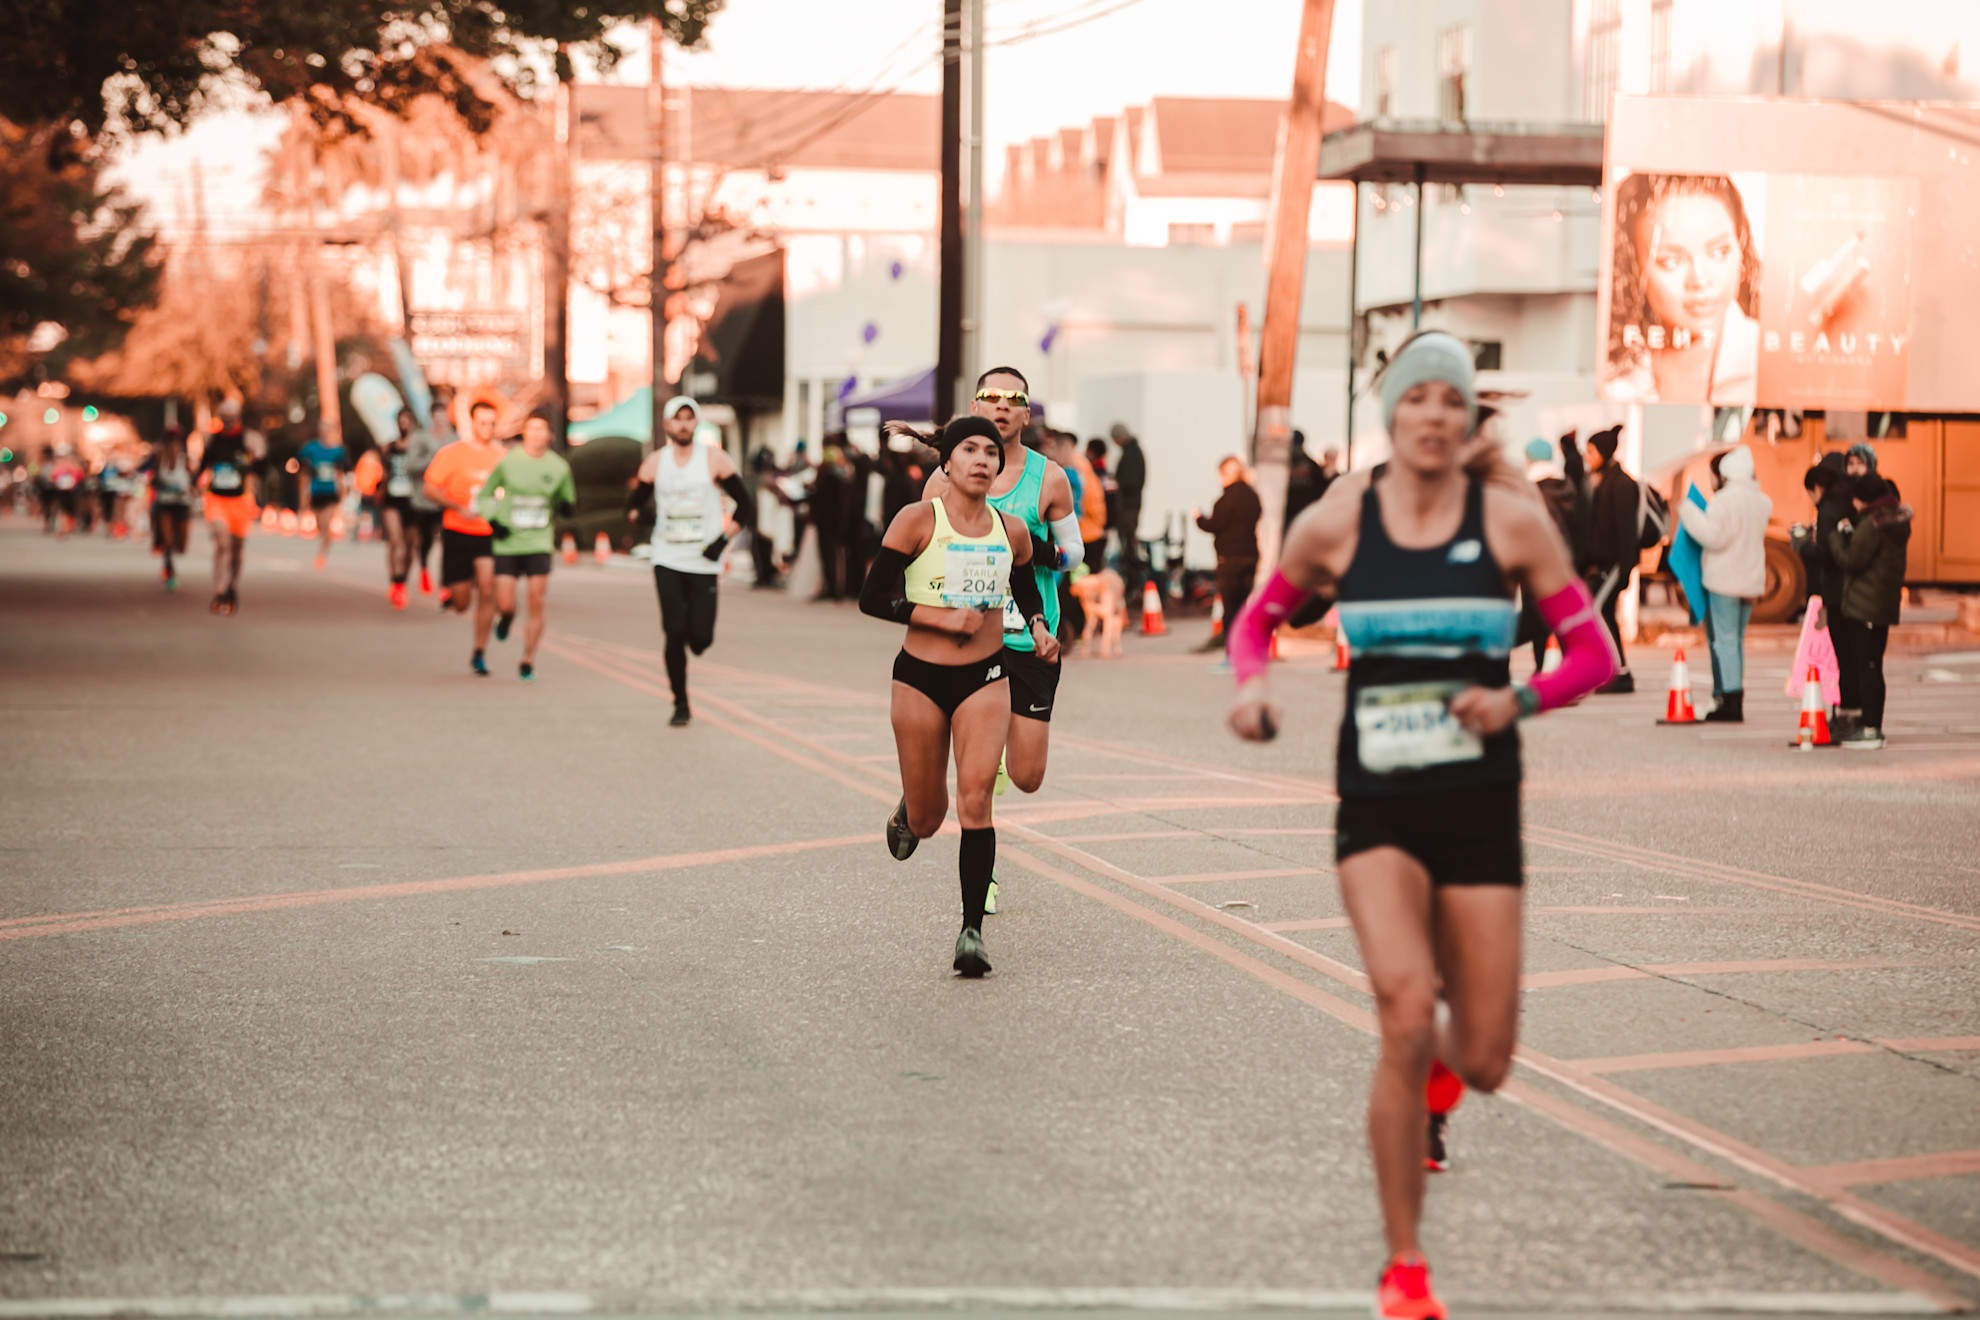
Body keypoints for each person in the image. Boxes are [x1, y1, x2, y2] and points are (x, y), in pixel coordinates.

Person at [1225, 330, 1616, 1320]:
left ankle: (1449, 1069)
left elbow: (1592, 653)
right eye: (1416, 401)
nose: (1434, 416)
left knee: (1484, 1059)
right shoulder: (1340, 518)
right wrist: (1251, 689)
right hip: (1380, 805)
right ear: (1390, 417)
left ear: (1469, 419)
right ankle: (1405, 1272)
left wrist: (1516, 703)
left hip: (1481, 804)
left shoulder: (1513, 521)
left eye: (1452, 401)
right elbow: (1255, 618)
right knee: (1403, 1014)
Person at [859, 416, 1056, 977]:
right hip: (920, 677)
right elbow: (872, 597)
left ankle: (972, 931)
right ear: (946, 461)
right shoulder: (918, 519)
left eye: (991, 452)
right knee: (929, 818)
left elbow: (1022, 581)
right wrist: (942, 620)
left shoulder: (1011, 530)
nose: (982, 459)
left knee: (976, 801)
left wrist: (1038, 626)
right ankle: (910, 809)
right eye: (969, 449)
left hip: (987, 678)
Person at [925, 368, 1082, 797]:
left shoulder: (1048, 477)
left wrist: (1029, 546)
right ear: (974, 406)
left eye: (1014, 400)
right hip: (964, 634)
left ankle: (982, 760)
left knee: (1027, 777)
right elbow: (921, 553)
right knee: (977, 777)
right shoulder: (942, 479)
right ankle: (940, 783)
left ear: (1026, 416)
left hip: (1029, 637)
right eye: (992, 396)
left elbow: (1075, 555)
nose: (1002, 405)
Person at [626, 395, 756, 726]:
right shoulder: (656, 463)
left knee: (700, 639)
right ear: (667, 424)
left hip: (704, 560)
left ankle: (693, 640)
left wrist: (722, 541)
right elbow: (631, 508)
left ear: (696, 423)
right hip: (667, 557)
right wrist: (645, 516)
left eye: (689, 418)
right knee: (673, 631)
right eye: (677, 418)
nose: (683, 424)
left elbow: (746, 505)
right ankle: (680, 702)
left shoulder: (714, 460)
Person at [1602, 173, 1761, 405]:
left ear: (1741, 250)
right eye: (1670, 261)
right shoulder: (1614, 371)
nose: (1699, 280)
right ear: (1633, 267)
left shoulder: (1768, 361)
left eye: (1719, 252)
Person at [478, 410, 577, 682]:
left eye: (541, 429)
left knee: (537, 599)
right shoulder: (508, 462)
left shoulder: (558, 467)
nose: (536, 434)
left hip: (539, 542)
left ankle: (528, 659)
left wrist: (567, 507)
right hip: (508, 542)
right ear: (524, 433)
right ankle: (507, 616)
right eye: (531, 429)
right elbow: (485, 494)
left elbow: (567, 498)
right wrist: (493, 520)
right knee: (505, 603)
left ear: (550, 434)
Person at [1677, 446, 1772, 722]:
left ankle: (1730, 700)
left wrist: (1689, 511)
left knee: (1725, 641)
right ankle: (1732, 696)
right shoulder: (1761, 501)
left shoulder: (1725, 501)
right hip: (1751, 580)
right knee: (1736, 640)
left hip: (1724, 581)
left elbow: (1713, 537)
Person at [1827, 474, 1912, 751]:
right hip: (1881, 604)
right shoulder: (1894, 521)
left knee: (1867, 667)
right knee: (1873, 665)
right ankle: (1871, 726)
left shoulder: (1872, 524)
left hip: (1866, 605)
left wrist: (1835, 538)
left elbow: (1852, 561)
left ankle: (1871, 730)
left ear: (1864, 499)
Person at [422, 399, 506, 675]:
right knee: (461, 603)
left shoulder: (502, 455)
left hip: (488, 531)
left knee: (488, 588)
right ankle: (455, 593)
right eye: (482, 423)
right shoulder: (452, 453)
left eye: (492, 423)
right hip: (457, 529)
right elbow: (430, 489)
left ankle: (479, 652)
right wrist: (457, 507)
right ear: (472, 423)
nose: (487, 428)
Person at [1793, 452, 1852, 730]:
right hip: (1849, 590)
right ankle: (1852, 713)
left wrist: (1803, 547)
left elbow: (1828, 554)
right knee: (1853, 657)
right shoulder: (1845, 501)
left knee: (1846, 657)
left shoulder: (1827, 508)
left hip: (1837, 592)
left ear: (1816, 488)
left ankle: (1846, 715)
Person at [1582, 426, 1640, 692]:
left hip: (1617, 564)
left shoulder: (1621, 485)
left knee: (1597, 611)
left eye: (1591, 451)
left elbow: (1628, 533)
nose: (1587, 456)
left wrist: (1626, 571)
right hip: (1605, 564)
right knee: (1602, 613)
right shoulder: (1603, 482)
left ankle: (1620, 672)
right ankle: (1616, 671)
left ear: (1604, 454)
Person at [1192, 455, 1262, 662]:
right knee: (1244, 607)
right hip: (1251, 555)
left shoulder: (1224, 500)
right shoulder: (1252, 496)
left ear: (1225, 474)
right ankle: (1248, 650)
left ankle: (1232, 654)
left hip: (1229, 559)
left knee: (1230, 608)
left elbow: (1214, 526)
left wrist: (1198, 518)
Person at [198, 411, 264, 615]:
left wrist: (256, 457)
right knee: (221, 542)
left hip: (241, 500)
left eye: (230, 416)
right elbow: (203, 464)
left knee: (236, 549)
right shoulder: (212, 439)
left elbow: (261, 468)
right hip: (216, 499)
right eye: (223, 416)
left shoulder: (249, 438)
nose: (226, 420)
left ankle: (232, 585)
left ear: (237, 417)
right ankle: (219, 589)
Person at [401, 406, 446, 599]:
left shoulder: (455, 440)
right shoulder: (420, 438)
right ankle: (420, 571)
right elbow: (410, 467)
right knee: (420, 540)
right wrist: (432, 461)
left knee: (448, 542)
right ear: (431, 418)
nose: (440, 420)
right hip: (422, 499)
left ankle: (446, 584)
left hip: (446, 500)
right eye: (437, 417)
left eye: (443, 416)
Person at [143, 431, 195, 590]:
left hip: (181, 504)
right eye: (170, 444)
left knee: (181, 545)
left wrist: (191, 489)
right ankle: (169, 570)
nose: (173, 447)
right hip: (164, 503)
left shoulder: (185, 461)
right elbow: (146, 474)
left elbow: (194, 479)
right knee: (166, 540)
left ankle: (170, 558)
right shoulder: (159, 460)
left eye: (176, 444)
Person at [296, 422, 348, 570]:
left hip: (331, 491)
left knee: (326, 523)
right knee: (319, 524)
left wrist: (342, 491)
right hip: (316, 490)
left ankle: (322, 554)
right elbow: (301, 465)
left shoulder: (338, 450)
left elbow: (341, 472)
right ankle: (322, 544)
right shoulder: (311, 448)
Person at [1111, 422, 1147, 616]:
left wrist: (1116, 484)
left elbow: (1131, 481)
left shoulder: (1132, 454)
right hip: (1130, 507)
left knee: (1128, 548)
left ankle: (1135, 586)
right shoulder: (1133, 452)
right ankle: (1135, 585)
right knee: (1128, 546)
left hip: (1128, 508)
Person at [1072, 565, 1127, 658]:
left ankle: (1109, 647)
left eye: (1089, 591)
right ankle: (1086, 648)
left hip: (1113, 592)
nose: (1086, 594)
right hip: (1104, 591)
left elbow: (1108, 617)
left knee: (1113, 620)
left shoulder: (1105, 591)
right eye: (1083, 592)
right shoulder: (1088, 591)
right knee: (1090, 621)